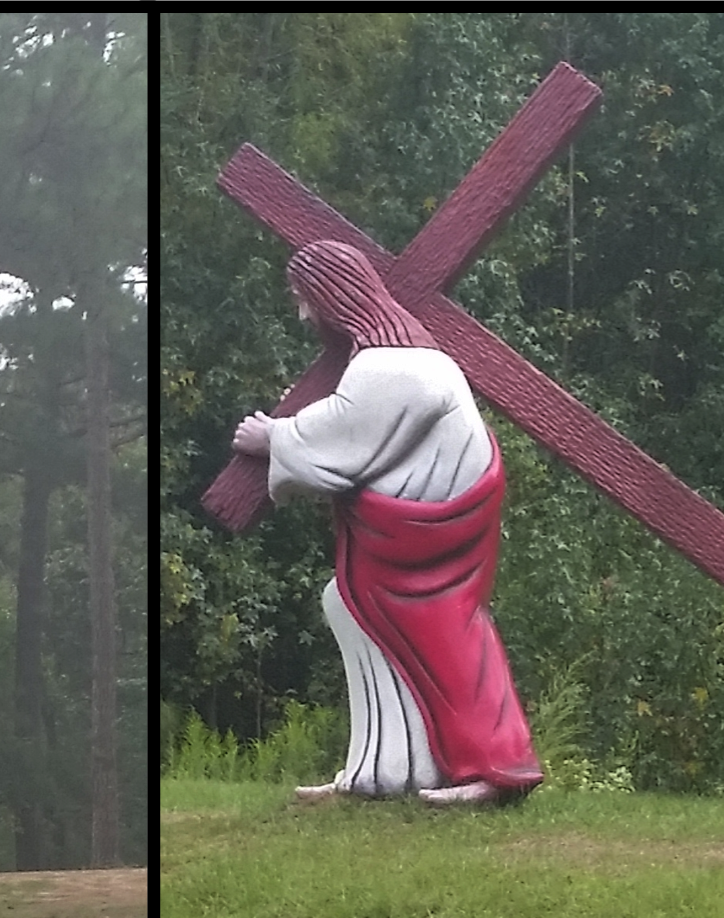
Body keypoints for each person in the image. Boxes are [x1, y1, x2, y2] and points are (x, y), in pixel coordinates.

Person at [229, 240, 543, 806]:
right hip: (411, 535)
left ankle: (496, 772)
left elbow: (349, 435)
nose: (303, 315)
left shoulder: (395, 365)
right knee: (345, 606)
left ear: (334, 296)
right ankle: (385, 771)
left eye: (306, 300)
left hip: (432, 540)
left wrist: (273, 434)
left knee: (446, 636)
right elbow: (349, 428)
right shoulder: (386, 362)